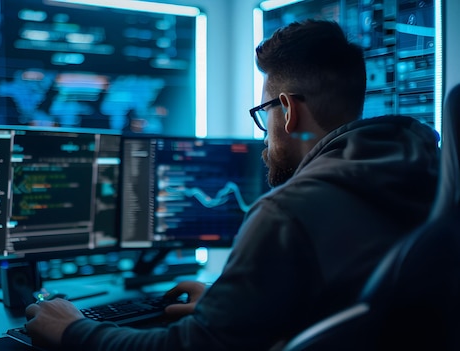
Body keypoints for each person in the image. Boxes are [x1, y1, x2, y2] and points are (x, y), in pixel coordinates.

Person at [24, 19, 440, 350]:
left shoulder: (286, 213)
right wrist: (237, 309)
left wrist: (73, 330)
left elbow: (191, 349)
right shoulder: (427, 176)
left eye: (263, 113)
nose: (263, 135)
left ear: (289, 111)